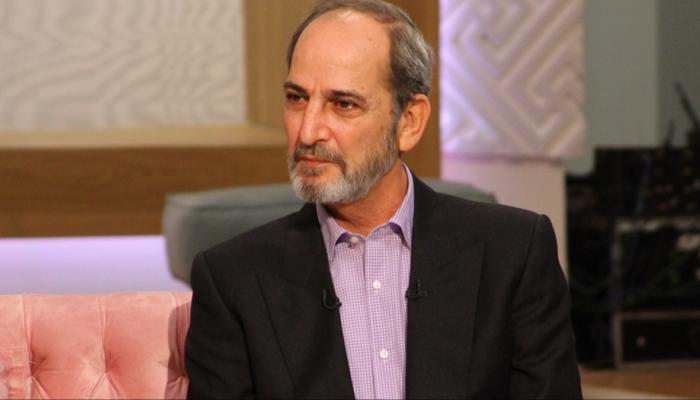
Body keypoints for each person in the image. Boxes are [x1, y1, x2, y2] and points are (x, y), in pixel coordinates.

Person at [184, 0, 582, 398]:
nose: (307, 132)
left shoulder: (513, 254)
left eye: (343, 104)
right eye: (297, 99)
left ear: (409, 121)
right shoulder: (232, 281)